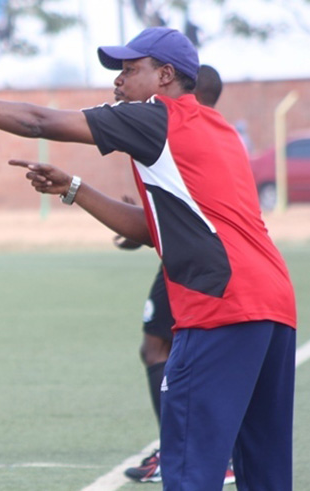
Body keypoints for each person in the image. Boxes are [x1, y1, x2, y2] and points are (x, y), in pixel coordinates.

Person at [0, 27, 296, 490]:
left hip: (221, 306)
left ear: (165, 75)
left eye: (130, 70)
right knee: (265, 474)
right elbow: (153, 230)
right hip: (274, 305)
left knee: (189, 474)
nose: (118, 80)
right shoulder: (217, 128)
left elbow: (38, 121)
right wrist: (75, 189)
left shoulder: (154, 116)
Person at [115, 64, 234, 484]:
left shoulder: (180, 134)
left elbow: (39, 121)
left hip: (196, 266)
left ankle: (184, 450)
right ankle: (204, 450)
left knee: (159, 349)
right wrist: (144, 228)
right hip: (210, 262)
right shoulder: (221, 137)